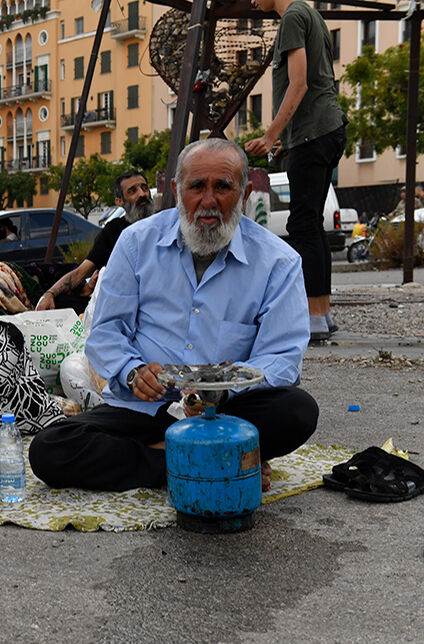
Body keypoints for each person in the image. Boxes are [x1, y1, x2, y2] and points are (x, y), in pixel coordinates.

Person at [29, 138, 318, 493]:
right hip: (145, 409)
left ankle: (185, 455)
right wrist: (133, 372)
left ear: (243, 196)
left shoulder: (279, 262)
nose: (208, 201)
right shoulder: (136, 243)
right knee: (48, 448)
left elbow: (282, 358)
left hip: (226, 413)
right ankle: (201, 463)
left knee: (298, 411)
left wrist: (222, 392)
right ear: (177, 191)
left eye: (223, 187)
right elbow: (106, 332)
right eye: (197, 186)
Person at [244, 0, 347, 341]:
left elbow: (299, 82)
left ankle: (312, 316)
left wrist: (271, 133)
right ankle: (323, 312)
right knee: (312, 223)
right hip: (322, 130)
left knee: (302, 224)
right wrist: (284, 140)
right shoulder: (311, 14)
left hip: (313, 134)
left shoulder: (291, 17)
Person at [35, 169, 154, 312]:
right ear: (119, 201)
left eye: (144, 188)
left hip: (158, 298)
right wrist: (50, 294)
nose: (142, 194)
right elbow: (81, 272)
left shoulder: (164, 224)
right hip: (124, 304)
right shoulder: (113, 230)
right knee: (60, 304)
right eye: (132, 191)